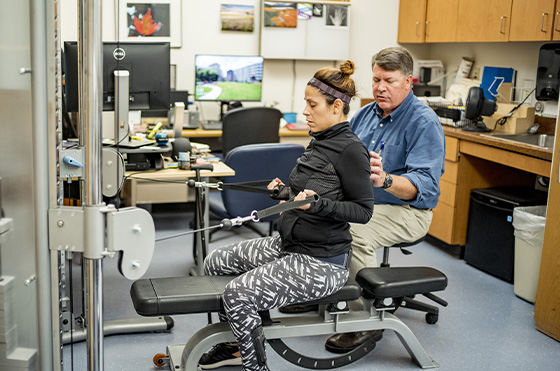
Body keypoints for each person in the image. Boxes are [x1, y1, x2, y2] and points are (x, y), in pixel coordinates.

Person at [198, 60, 374, 370]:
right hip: (288, 246)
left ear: (336, 107)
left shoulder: (350, 149)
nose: (305, 111)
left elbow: (363, 211)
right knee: (215, 262)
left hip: (322, 263)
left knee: (238, 293)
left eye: (311, 104)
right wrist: (286, 195)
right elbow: (310, 192)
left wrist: (316, 204)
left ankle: (257, 365)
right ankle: (235, 346)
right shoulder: (319, 141)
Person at [281, 47, 446, 353]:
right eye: (376, 79)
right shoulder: (365, 114)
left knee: (354, 230)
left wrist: (385, 179)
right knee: (318, 215)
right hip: (365, 202)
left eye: (390, 80)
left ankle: (363, 320)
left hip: (407, 210)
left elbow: (424, 187)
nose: (381, 87)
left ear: (408, 82)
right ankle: (321, 291)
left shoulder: (424, 123)